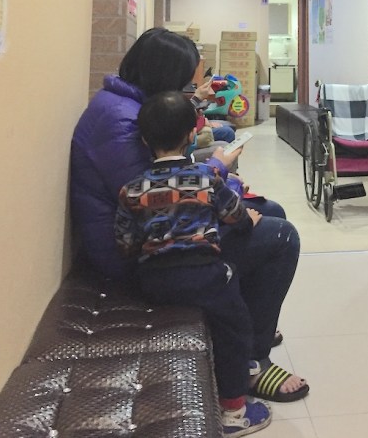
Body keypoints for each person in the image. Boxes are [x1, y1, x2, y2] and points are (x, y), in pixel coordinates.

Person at [70, 26, 307, 402]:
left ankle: (249, 322)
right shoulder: (120, 122)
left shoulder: (125, 104)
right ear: (164, 76)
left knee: (269, 212)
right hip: (140, 252)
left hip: (143, 230)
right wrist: (219, 170)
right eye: (185, 82)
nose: (188, 88)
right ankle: (252, 361)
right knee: (281, 236)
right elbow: (165, 196)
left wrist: (222, 177)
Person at [115, 91, 273, 436]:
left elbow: (125, 244)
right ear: (191, 135)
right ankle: (234, 411)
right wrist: (248, 220)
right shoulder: (205, 177)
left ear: (145, 140)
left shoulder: (131, 189)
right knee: (235, 327)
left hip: (153, 282)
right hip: (204, 276)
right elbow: (235, 216)